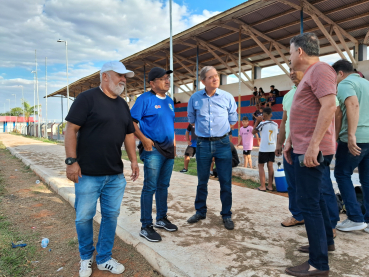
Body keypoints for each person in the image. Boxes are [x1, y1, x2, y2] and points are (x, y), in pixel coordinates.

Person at [64, 61, 139, 276]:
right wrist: (71, 162)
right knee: (83, 217)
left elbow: (128, 134)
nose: (123, 79)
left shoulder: (123, 104)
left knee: (110, 216)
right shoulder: (86, 99)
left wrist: (134, 161)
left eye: (125, 76)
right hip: (87, 173)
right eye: (119, 75)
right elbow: (71, 129)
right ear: (105, 76)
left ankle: (104, 258)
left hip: (114, 175)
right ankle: (86, 257)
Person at [284, 32, 337, 276]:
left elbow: (329, 105)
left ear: (300, 52)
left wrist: (313, 145)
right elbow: (305, 113)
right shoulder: (311, 75)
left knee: (309, 204)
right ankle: (326, 242)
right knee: (316, 200)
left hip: (311, 151)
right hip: (303, 146)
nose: (290, 57)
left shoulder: (320, 70)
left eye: (290, 52)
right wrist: (290, 140)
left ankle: (318, 264)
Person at [187, 65, 238, 230]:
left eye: (216, 75)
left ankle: (226, 215)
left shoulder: (227, 97)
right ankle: (200, 211)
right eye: (210, 77)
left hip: (223, 143)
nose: (215, 78)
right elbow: (192, 121)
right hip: (202, 143)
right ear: (203, 81)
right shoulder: (195, 98)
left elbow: (232, 120)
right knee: (202, 181)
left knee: (226, 182)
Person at [130, 67, 178, 243]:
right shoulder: (144, 99)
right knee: (150, 187)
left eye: (167, 78)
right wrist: (143, 139)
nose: (167, 81)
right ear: (152, 83)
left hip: (168, 150)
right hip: (153, 150)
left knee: (163, 186)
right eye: (162, 78)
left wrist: (173, 144)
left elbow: (169, 125)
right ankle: (145, 226)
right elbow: (131, 122)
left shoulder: (170, 101)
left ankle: (161, 219)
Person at [332, 59, 369, 234]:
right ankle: (367, 220)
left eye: (334, 77)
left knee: (341, 173)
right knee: (367, 180)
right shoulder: (366, 83)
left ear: (340, 73)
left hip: (354, 138)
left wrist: (351, 135)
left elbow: (352, 104)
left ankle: (355, 217)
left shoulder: (346, 83)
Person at [252, 107, 278, 191]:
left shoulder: (262, 124)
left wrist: (257, 121)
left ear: (263, 115)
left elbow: (253, 132)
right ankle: (270, 186)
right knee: (270, 166)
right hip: (272, 147)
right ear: (271, 115)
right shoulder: (275, 124)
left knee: (261, 166)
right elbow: (277, 136)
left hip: (264, 148)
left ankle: (262, 186)